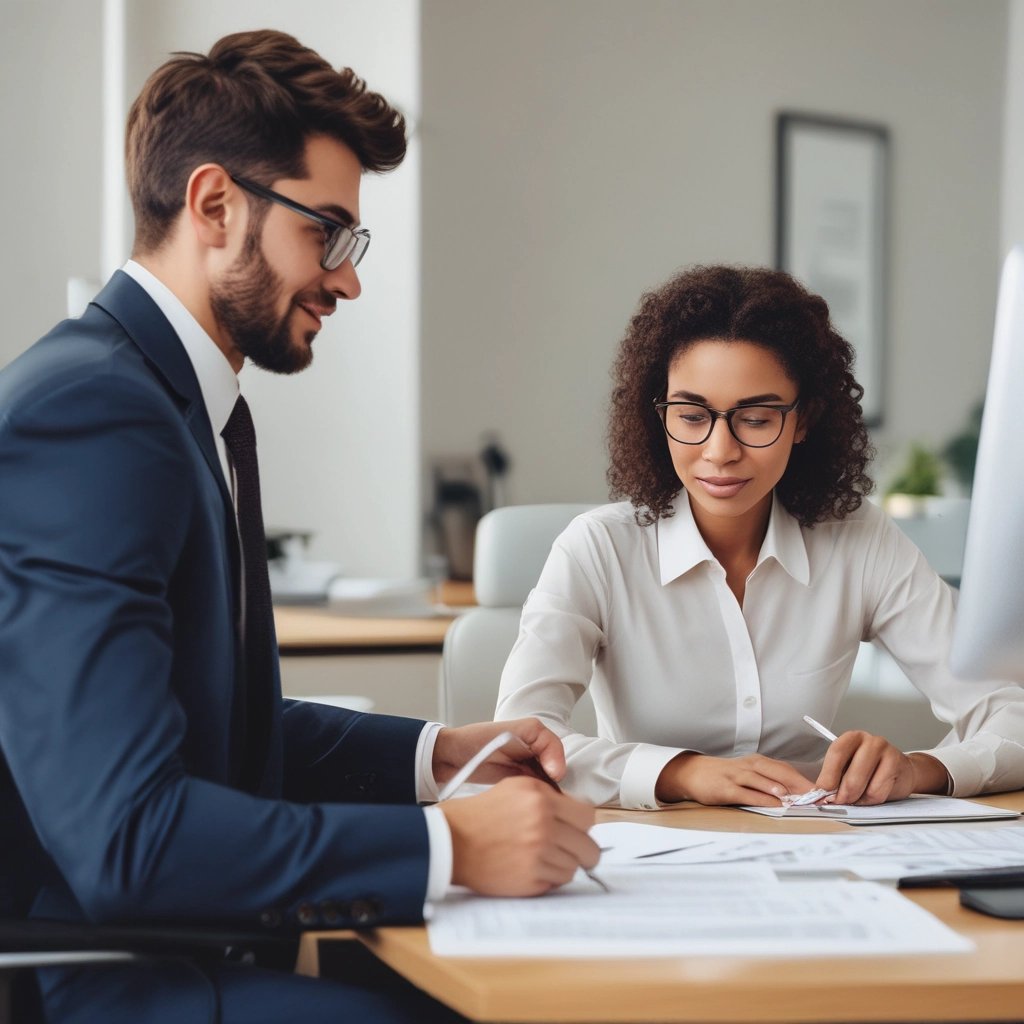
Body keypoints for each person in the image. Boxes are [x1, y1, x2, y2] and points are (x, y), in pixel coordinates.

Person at [0, 30, 598, 1024]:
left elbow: (209, 733)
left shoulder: (176, 405)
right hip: (107, 976)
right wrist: (453, 847)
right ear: (214, 204)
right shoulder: (94, 418)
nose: (348, 278)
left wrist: (438, 757)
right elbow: (130, 841)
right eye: (327, 231)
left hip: (178, 942)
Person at [495, 264, 1024, 811]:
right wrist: (682, 774)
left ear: (803, 420)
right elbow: (519, 745)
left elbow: (1014, 711)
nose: (720, 450)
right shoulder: (597, 550)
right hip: (648, 855)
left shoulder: (858, 540)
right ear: (660, 415)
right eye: (692, 414)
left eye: (756, 416)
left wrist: (919, 770)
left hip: (813, 849)